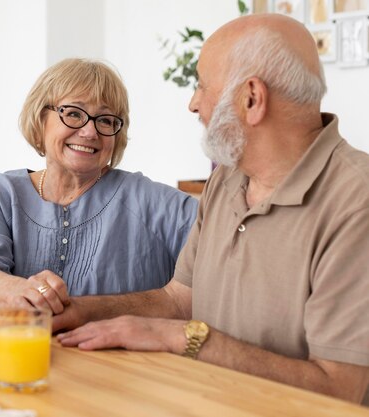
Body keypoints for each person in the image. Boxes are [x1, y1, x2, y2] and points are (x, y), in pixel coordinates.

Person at [56, 14, 369, 405]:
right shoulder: (226, 181)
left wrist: (181, 338)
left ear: (251, 98)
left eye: (202, 85)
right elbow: (178, 300)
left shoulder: (357, 200)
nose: (193, 103)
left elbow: (340, 389)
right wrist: (78, 311)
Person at [0, 58, 197, 315]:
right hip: (23, 353)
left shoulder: (151, 200)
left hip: (125, 356)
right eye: (73, 114)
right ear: (40, 119)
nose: (90, 132)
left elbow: (224, 244)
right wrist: (21, 291)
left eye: (105, 120)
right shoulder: (0, 195)